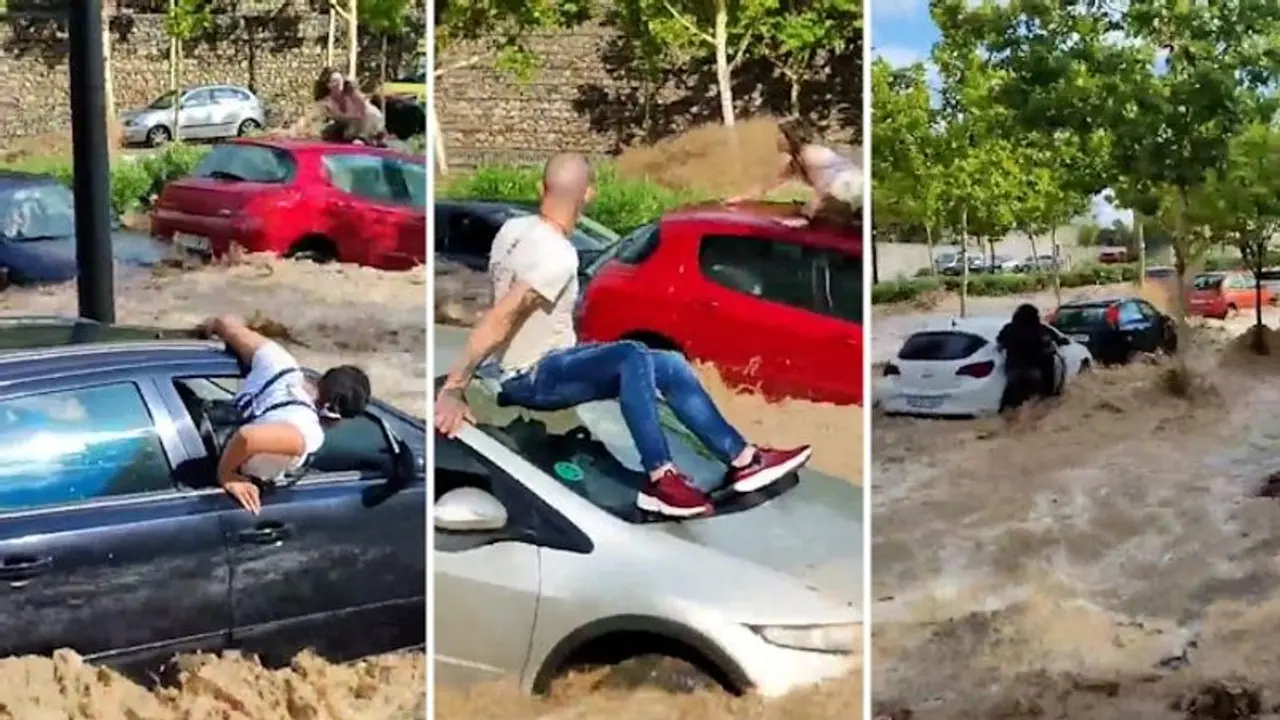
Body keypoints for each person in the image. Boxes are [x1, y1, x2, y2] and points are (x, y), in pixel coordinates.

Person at [434, 153, 814, 519]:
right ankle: (661, 478)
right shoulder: (557, 256)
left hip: (547, 364)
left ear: (540, 188)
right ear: (588, 195)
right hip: (531, 377)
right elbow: (502, 317)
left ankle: (743, 459)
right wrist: (455, 386)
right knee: (630, 354)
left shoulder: (513, 231)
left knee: (667, 364)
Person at [197, 315, 371, 514]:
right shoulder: (307, 430)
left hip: (198, 438)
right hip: (211, 482)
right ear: (335, 416)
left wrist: (207, 329)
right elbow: (248, 437)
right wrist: (227, 474)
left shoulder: (279, 363)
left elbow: (226, 324)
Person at [725, 120, 862, 226]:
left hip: (855, 194)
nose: (777, 139)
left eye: (780, 134)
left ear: (791, 137)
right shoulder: (796, 162)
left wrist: (805, 217)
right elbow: (769, 185)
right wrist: (740, 198)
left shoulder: (810, 155)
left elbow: (825, 192)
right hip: (845, 199)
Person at [996, 304, 1058, 415]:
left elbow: (999, 344)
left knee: (1009, 405)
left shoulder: (1009, 328)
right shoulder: (1040, 330)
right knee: (1036, 404)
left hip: (1013, 371)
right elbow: (1049, 350)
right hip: (1033, 370)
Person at [303, 67, 386, 145]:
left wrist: (361, 137)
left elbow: (364, 113)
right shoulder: (326, 102)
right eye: (334, 81)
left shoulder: (352, 93)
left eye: (340, 80)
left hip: (369, 123)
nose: (338, 83)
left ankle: (365, 139)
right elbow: (314, 117)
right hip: (349, 126)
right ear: (328, 85)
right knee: (329, 131)